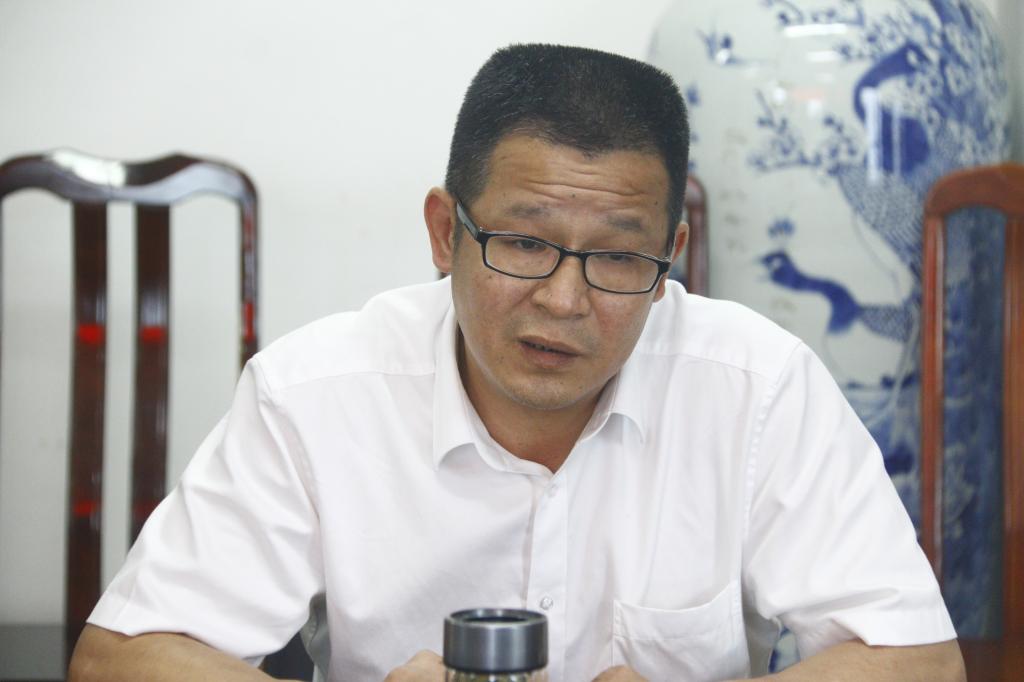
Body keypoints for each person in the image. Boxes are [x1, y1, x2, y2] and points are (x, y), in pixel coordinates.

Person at [69, 44, 964, 682]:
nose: (565, 301)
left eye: (619, 256)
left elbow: (918, 660)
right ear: (443, 232)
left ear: (670, 259)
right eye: (525, 243)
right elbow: (121, 657)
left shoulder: (759, 389)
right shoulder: (315, 394)